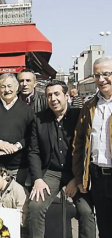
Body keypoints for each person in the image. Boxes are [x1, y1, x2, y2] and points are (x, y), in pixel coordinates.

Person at [28, 80, 95, 238]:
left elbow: (87, 149)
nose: (53, 99)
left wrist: (77, 178)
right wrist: (37, 178)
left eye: (57, 94)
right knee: (35, 207)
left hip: (76, 172)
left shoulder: (79, 116)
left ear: (66, 95)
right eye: (49, 95)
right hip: (50, 172)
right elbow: (34, 151)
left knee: (86, 211)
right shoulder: (39, 119)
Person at [73, 56, 112, 238]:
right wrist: (81, 176)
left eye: (106, 74)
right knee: (104, 226)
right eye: (97, 75)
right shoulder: (89, 106)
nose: (102, 79)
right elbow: (79, 143)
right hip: (96, 176)